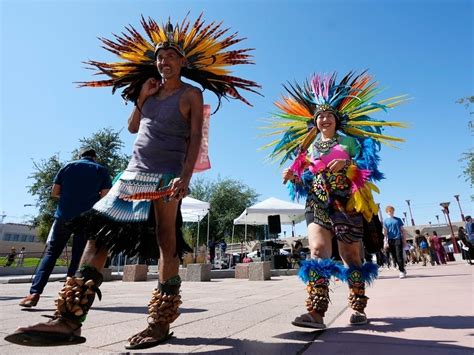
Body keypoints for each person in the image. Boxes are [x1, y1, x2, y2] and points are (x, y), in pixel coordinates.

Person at [5, 15, 260, 349]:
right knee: (99, 237)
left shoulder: (191, 94)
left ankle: (160, 323)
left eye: (170, 56)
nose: (163, 61)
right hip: (131, 175)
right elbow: (131, 127)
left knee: (167, 242)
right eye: (159, 57)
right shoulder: (149, 94)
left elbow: (196, 136)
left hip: (166, 176)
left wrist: (184, 178)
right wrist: (141, 97)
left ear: (182, 61)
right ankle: (68, 320)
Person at [270, 71, 406, 328]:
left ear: (336, 119)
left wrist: (348, 164)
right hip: (317, 200)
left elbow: (368, 170)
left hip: (347, 201)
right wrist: (293, 175)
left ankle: (358, 307)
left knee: (351, 256)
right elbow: (304, 179)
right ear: (315, 121)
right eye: (320, 116)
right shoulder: (308, 148)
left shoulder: (351, 143)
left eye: (328, 115)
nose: (324, 119)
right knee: (318, 250)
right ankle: (316, 313)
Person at [17, 149, 111, 308]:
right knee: (78, 256)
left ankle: (34, 293)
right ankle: (69, 296)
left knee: (51, 253)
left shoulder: (67, 167)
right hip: (85, 219)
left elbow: (54, 192)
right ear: (94, 158)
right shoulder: (100, 170)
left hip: (63, 216)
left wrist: (69, 197)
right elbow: (105, 196)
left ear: (79, 156)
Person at [383, 206, 407, 278]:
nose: (391, 212)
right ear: (387, 212)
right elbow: (385, 233)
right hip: (390, 240)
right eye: (389, 211)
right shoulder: (385, 221)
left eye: (392, 211)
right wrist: (385, 242)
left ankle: (401, 271)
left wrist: (404, 240)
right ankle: (402, 267)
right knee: (394, 257)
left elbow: (403, 230)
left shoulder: (398, 220)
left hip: (398, 239)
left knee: (399, 255)